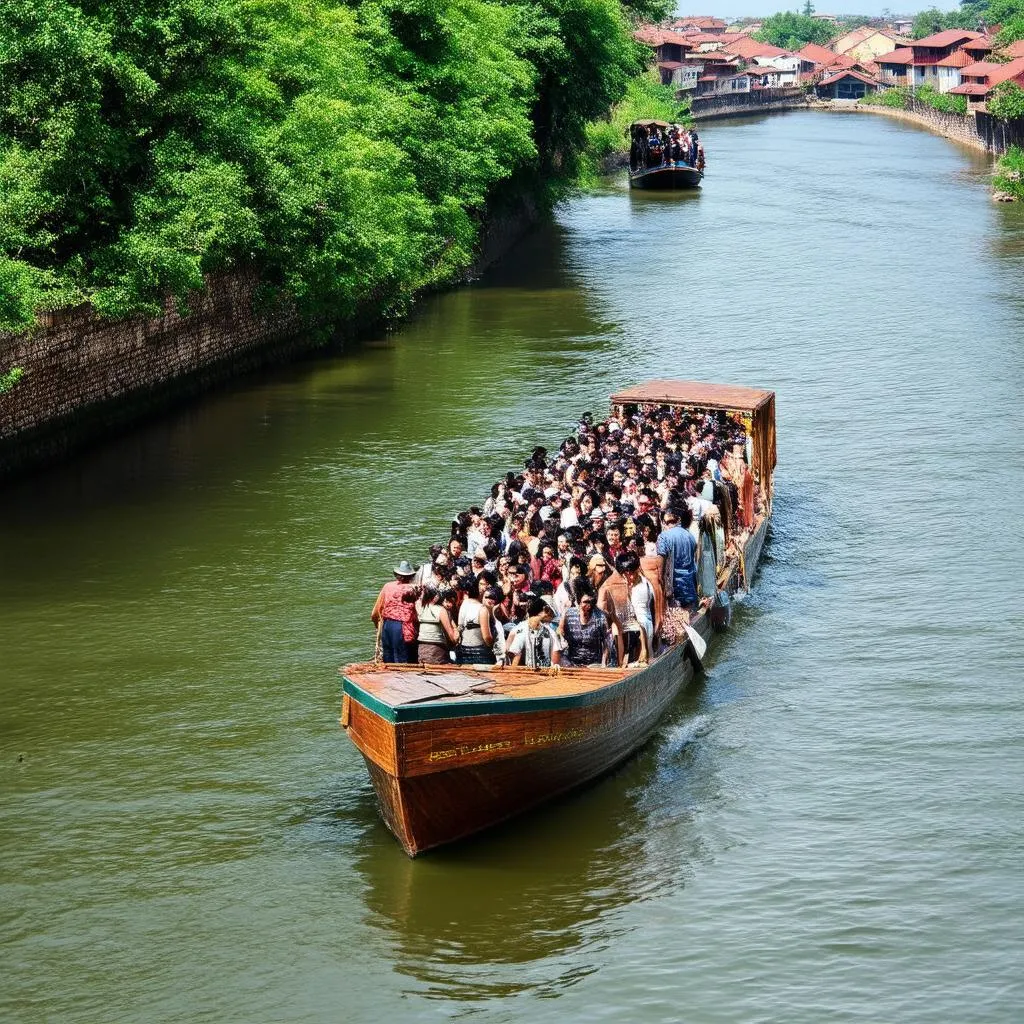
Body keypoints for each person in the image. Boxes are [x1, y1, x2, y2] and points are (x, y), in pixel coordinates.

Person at [370, 560, 419, 663]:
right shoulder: (414, 588)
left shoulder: (387, 586)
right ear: (411, 576)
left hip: (387, 626)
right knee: (403, 659)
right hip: (403, 627)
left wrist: (378, 627)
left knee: (388, 658)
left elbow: (375, 613)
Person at [616, 552, 655, 666]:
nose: (631, 577)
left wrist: (645, 648)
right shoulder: (618, 584)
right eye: (627, 574)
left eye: (633, 573)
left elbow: (644, 616)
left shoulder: (643, 587)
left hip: (643, 628)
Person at [558, 582, 608, 667]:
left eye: (591, 602)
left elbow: (606, 643)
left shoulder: (600, 617)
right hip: (572, 664)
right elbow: (559, 631)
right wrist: (561, 632)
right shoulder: (568, 614)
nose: (589, 605)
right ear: (579, 602)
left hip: (594, 664)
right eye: (586, 602)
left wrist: (603, 665)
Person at [656, 507, 698, 609]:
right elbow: (694, 561)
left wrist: (662, 585)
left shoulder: (664, 537)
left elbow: (660, 567)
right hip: (690, 586)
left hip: (674, 589)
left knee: (675, 619)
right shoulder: (690, 536)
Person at [507, 597, 563, 668]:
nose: (552, 617)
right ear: (546, 611)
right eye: (551, 614)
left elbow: (512, 654)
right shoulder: (522, 629)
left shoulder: (518, 628)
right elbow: (555, 660)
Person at [456, 577, 497, 664]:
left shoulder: (464, 604)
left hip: (463, 649)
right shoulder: (482, 609)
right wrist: (493, 645)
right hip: (479, 652)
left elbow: (459, 627)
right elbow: (487, 637)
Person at [415, 585, 460, 664]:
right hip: (436, 650)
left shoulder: (420, 608)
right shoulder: (441, 610)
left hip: (421, 649)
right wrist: (457, 630)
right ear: (436, 597)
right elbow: (452, 637)